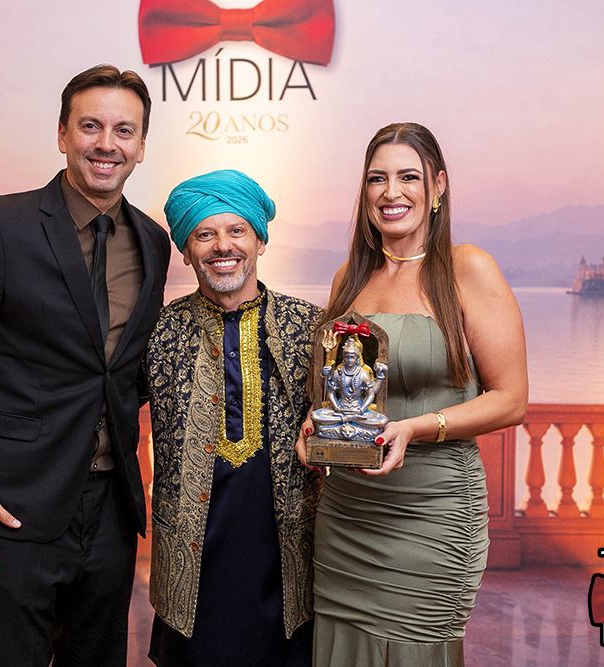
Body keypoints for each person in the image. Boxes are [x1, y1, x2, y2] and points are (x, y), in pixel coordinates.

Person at [0, 64, 171, 666]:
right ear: (62, 134)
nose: (107, 144)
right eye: (90, 126)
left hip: (111, 511)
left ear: (141, 146)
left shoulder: (153, 242)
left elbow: (125, 371)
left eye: (124, 131)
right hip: (13, 506)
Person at [295, 122, 528, 665]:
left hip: (431, 514)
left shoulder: (468, 268)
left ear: (438, 185)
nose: (391, 192)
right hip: (347, 514)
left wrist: (415, 428)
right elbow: (339, 391)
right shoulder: (349, 277)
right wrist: (314, 422)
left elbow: (512, 398)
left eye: (408, 177)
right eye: (377, 179)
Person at [145, 170, 323, 666]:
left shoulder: (310, 325)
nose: (223, 246)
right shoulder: (159, 331)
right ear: (186, 250)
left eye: (237, 230)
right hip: (192, 564)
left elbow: (347, 417)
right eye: (204, 233)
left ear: (260, 240)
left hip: (285, 561)